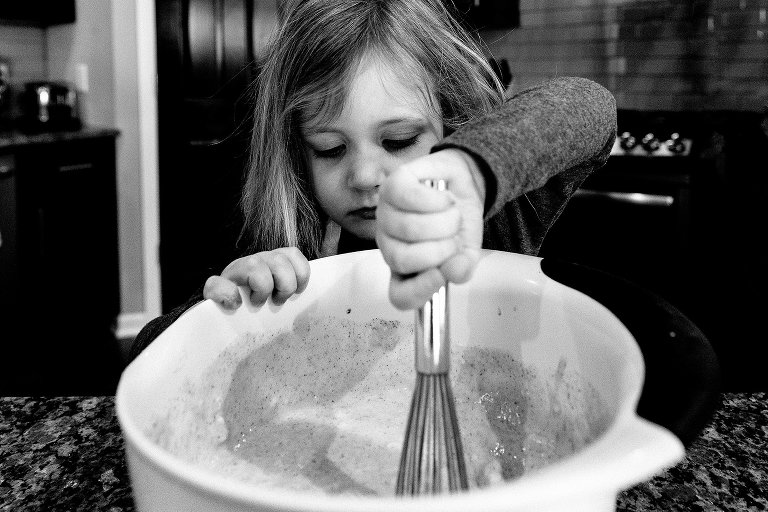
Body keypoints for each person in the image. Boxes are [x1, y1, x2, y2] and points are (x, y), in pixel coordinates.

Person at [130, 0, 616, 359]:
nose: (363, 176)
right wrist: (226, 308)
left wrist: (469, 168)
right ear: (298, 151)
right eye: (330, 149)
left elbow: (591, 106)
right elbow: (146, 354)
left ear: (450, 122)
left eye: (400, 141)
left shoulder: (505, 218)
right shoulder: (295, 257)